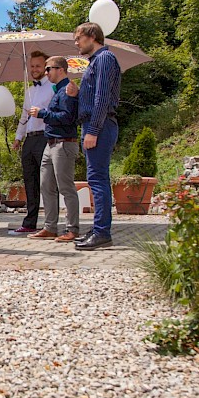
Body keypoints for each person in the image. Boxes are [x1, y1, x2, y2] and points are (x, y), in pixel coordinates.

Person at [73, 22, 121, 250]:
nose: (76, 42)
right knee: (96, 179)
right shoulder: (97, 61)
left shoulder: (104, 59)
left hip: (99, 126)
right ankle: (98, 228)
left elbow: (101, 98)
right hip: (95, 124)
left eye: (78, 37)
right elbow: (94, 95)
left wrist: (92, 130)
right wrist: (78, 93)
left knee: (98, 179)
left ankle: (102, 232)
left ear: (92, 36)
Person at [26, 56, 80, 242]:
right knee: (45, 186)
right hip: (51, 143)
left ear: (61, 70)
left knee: (66, 188)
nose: (46, 72)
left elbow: (67, 117)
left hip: (64, 143)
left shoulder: (67, 91)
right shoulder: (58, 91)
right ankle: (50, 227)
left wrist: (43, 114)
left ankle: (72, 229)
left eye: (49, 69)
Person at [11, 50, 52, 233]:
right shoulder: (29, 90)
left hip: (45, 137)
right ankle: (30, 223)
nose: (34, 69)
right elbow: (23, 117)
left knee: (47, 182)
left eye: (38, 66)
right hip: (29, 139)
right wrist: (18, 137)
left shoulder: (53, 87)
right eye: (32, 66)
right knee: (30, 181)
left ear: (45, 67)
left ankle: (51, 223)